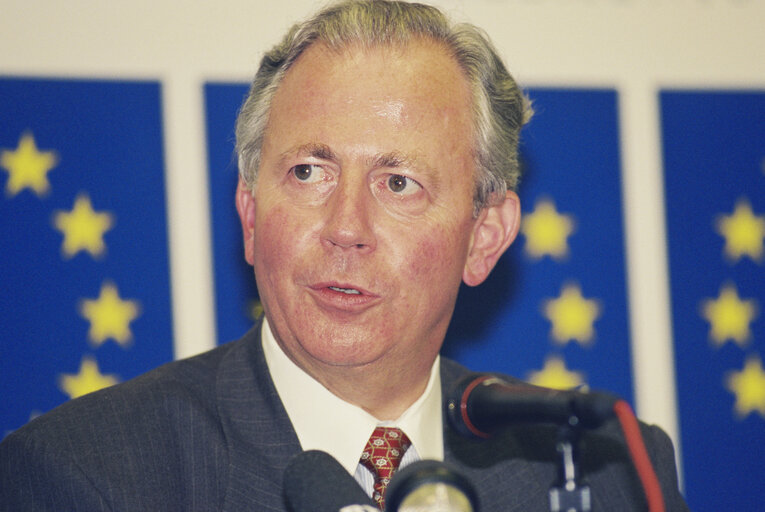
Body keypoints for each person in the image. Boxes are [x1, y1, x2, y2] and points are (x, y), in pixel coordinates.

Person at [0, 1, 689, 510]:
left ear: (484, 235)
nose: (345, 228)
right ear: (248, 212)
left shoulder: (605, 475)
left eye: (398, 183)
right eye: (308, 172)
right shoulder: (82, 478)